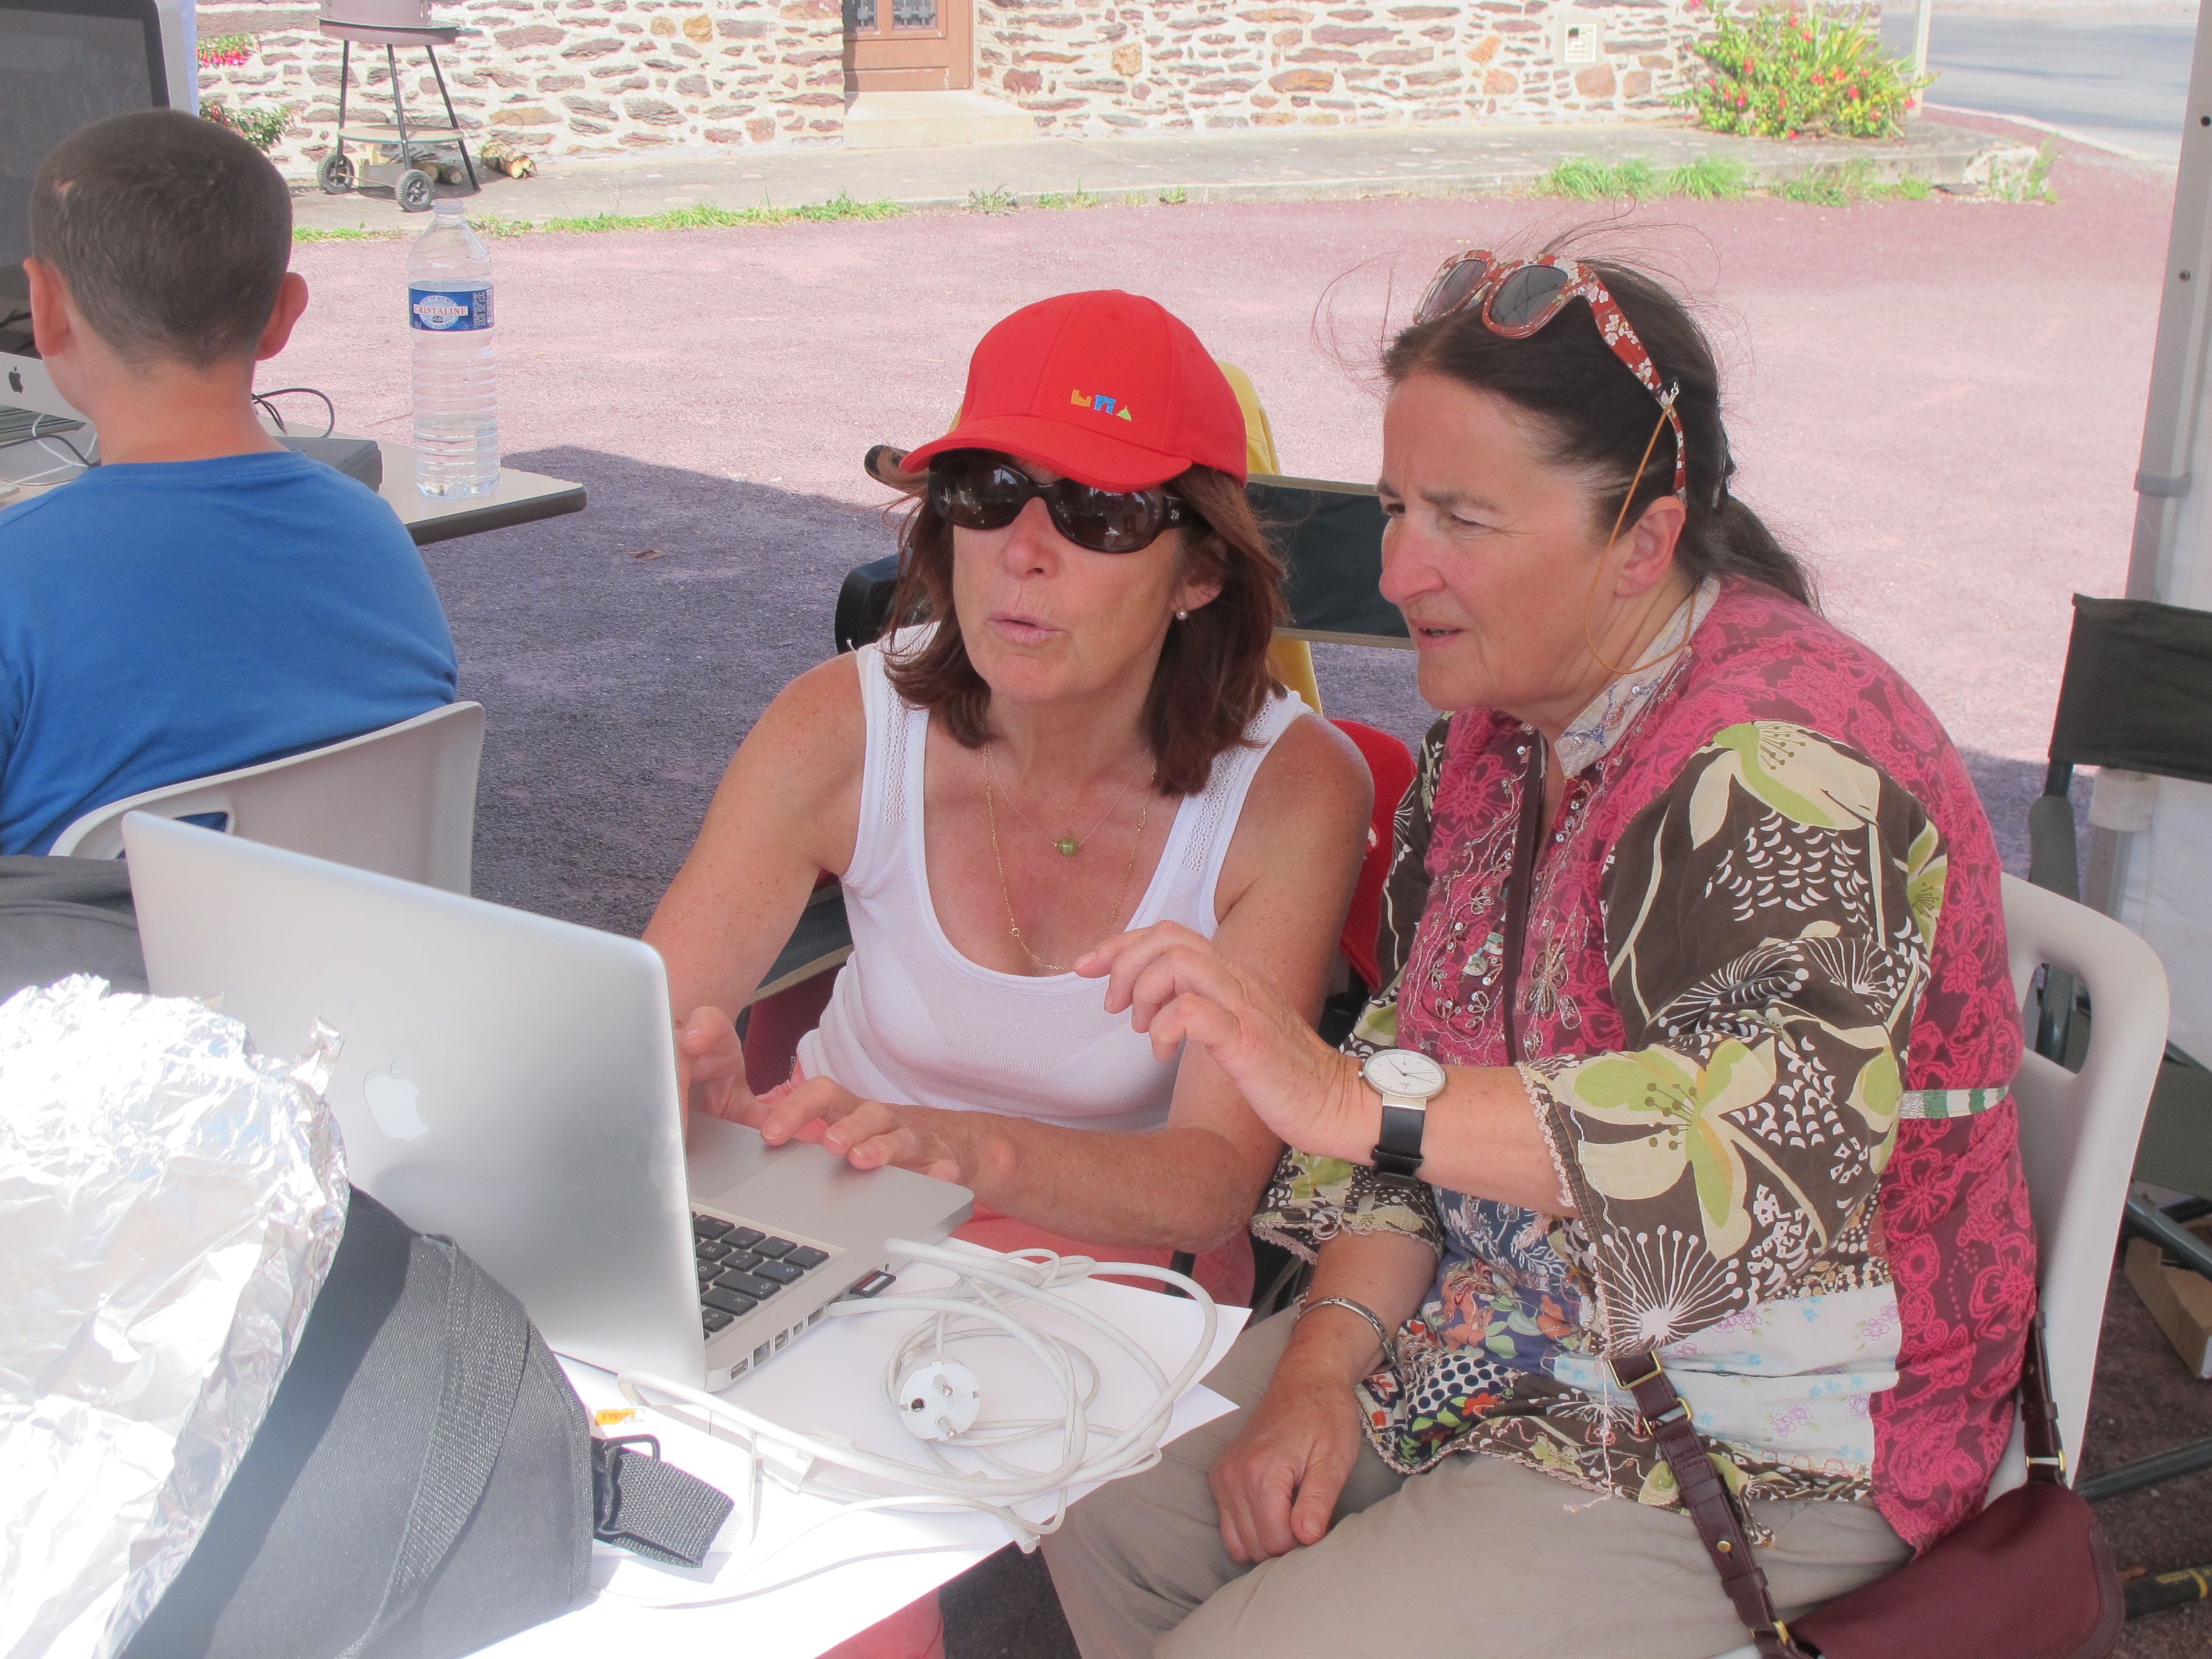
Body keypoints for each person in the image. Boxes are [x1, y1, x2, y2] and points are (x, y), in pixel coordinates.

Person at [1044, 251, 2036, 1659]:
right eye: (1395, 507)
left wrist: (1342, 1095)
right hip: (1506, 1329)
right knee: (1104, 1519)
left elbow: (1761, 1164)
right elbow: (1418, 1069)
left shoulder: (1781, 758)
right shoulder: (1505, 724)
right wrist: (1324, 1358)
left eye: (1460, 516)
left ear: (1643, 537)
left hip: (1761, 1425)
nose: (1395, 569)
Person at [646, 288, 1371, 1310]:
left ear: (1199, 571)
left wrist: (953, 1150)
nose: (1022, 551)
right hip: (820, 1202)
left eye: (1098, 511)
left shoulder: (1290, 790)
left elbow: (1210, 1184)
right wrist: (694, 1110)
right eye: (985, 490)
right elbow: (641, 1031)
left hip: (1100, 1268)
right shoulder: (836, 722)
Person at [0, 109, 457, 857]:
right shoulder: (378, 539)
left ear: (44, 309)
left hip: (92, 972)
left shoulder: (14, 581)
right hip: (361, 964)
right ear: (283, 314)